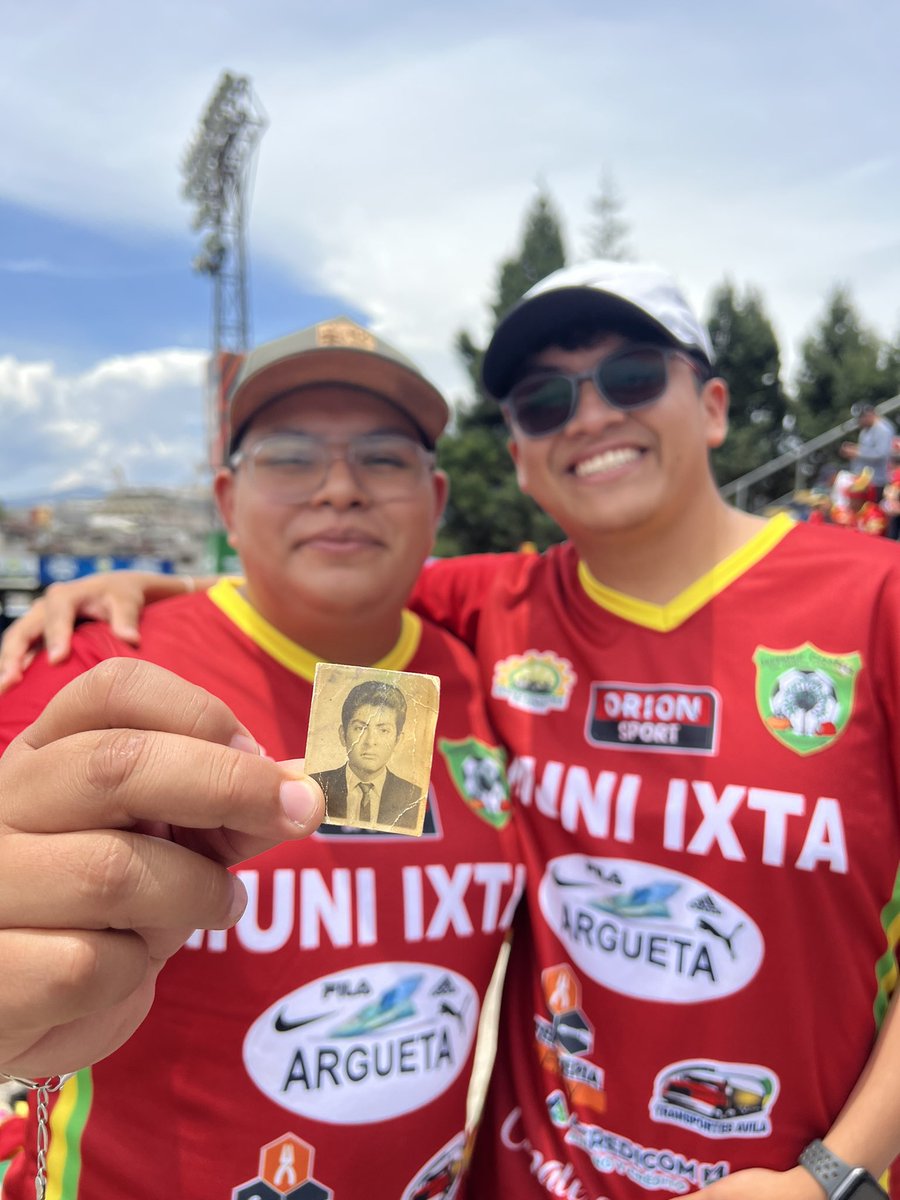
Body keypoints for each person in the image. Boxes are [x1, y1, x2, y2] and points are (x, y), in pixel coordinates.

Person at [6, 261, 900, 1200]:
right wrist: (153, 594)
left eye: (633, 377)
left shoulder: (456, 645)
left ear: (714, 407)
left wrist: (832, 1177)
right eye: (546, 402)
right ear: (229, 502)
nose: (340, 491)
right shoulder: (110, 662)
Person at [0, 318, 522, 1199]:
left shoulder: (484, 674)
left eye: (384, 458)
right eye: (289, 456)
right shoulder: (92, 666)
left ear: (436, 501)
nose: (340, 489)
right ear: (227, 500)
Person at [313, 679, 424, 828]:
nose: (370, 742)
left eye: (383, 730)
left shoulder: (415, 797)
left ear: (398, 740)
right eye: (360, 728)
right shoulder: (316, 785)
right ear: (343, 734)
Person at [840, 404, 895, 499]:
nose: (859, 421)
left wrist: (857, 452)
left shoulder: (882, 429)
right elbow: (865, 449)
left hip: (879, 480)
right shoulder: (865, 430)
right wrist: (854, 449)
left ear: (870, 414)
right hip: (867, 480)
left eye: (862, 417)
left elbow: (882, 454)